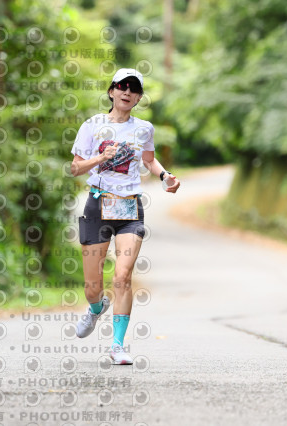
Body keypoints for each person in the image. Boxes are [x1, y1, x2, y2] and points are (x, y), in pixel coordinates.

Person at [70, 68, 180, 364]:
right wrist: (100, 158)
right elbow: (75, 167)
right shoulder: (92, 125)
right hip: (97, 206)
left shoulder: (144, 129)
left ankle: (118, 345)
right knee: (92, 287)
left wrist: (165, 176)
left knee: (122, 276)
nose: (127, 92)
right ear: (112, 91)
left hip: (130, 208)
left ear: (139, 97)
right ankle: (96, 308)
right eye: (122, 86)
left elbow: (149, 160)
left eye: (134, 89)